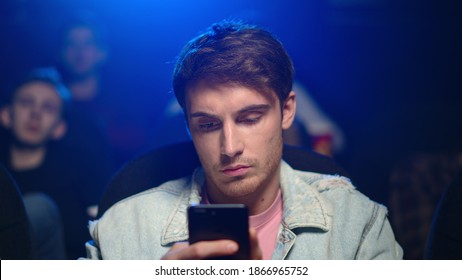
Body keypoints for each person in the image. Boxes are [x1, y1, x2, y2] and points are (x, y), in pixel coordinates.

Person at [85, 20, 402, 260]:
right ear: (188, 127)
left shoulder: (359, 224)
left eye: (250, 119)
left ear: (287, 111)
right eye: (208, 125)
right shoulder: (121, 229)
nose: (230, 147)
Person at [0, 68, 104, 259]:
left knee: (37, 208)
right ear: (6, 115)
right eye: (26, 103)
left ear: (59, 128)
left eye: (48, 108)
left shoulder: (80, 177)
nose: (35, 113)